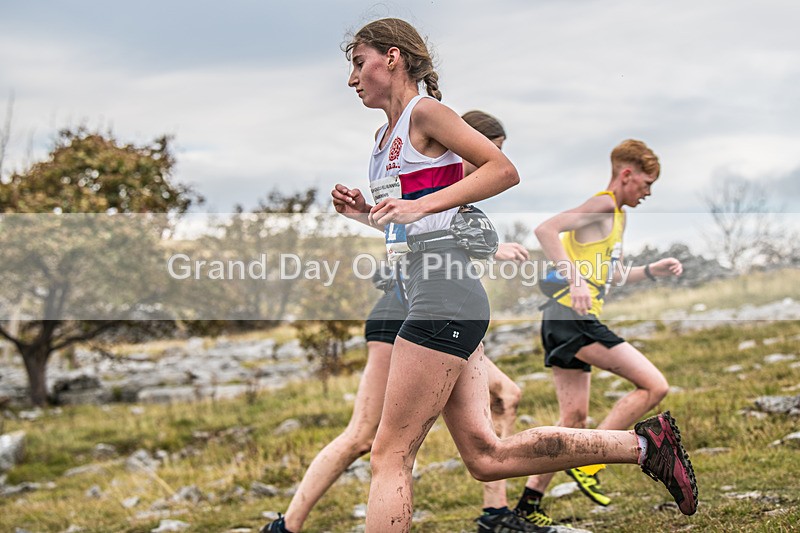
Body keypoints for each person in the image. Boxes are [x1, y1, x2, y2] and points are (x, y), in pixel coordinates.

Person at [305, 18, 696, 532]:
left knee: (390, 454)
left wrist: (420, 208)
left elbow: (502, 170)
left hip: (443, 295)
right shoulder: (383, 139)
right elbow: (407, 224)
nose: (352, 79)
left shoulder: (428, 113)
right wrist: (362, 212)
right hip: (429, 287)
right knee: (485, 456)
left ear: (393, 57)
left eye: (359, 63)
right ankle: (646, 445)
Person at [262, 112, 541, 533]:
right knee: (363, 436)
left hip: (428, 308)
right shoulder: (437, 179)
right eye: (491, 150)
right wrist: (491, 250)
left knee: (505, 395)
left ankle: (495, 513)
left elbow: (407, 233)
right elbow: (416, 239)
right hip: (402, 312)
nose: (490, 160)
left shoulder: (448, 196)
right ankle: (286, 526)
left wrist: (363, 215)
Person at [513, 139, 686, 525]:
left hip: (563, 319)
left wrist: (651, 270)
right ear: (626, 175)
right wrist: (573, 280)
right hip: (571, 317)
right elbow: (546, 229)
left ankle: (526, 508)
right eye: (645, 183)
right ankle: (591, 462)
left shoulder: (618, 216)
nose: (648, 192)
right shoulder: (604, 203)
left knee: (572, 418)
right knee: (654, 385)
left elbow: (609, 274)